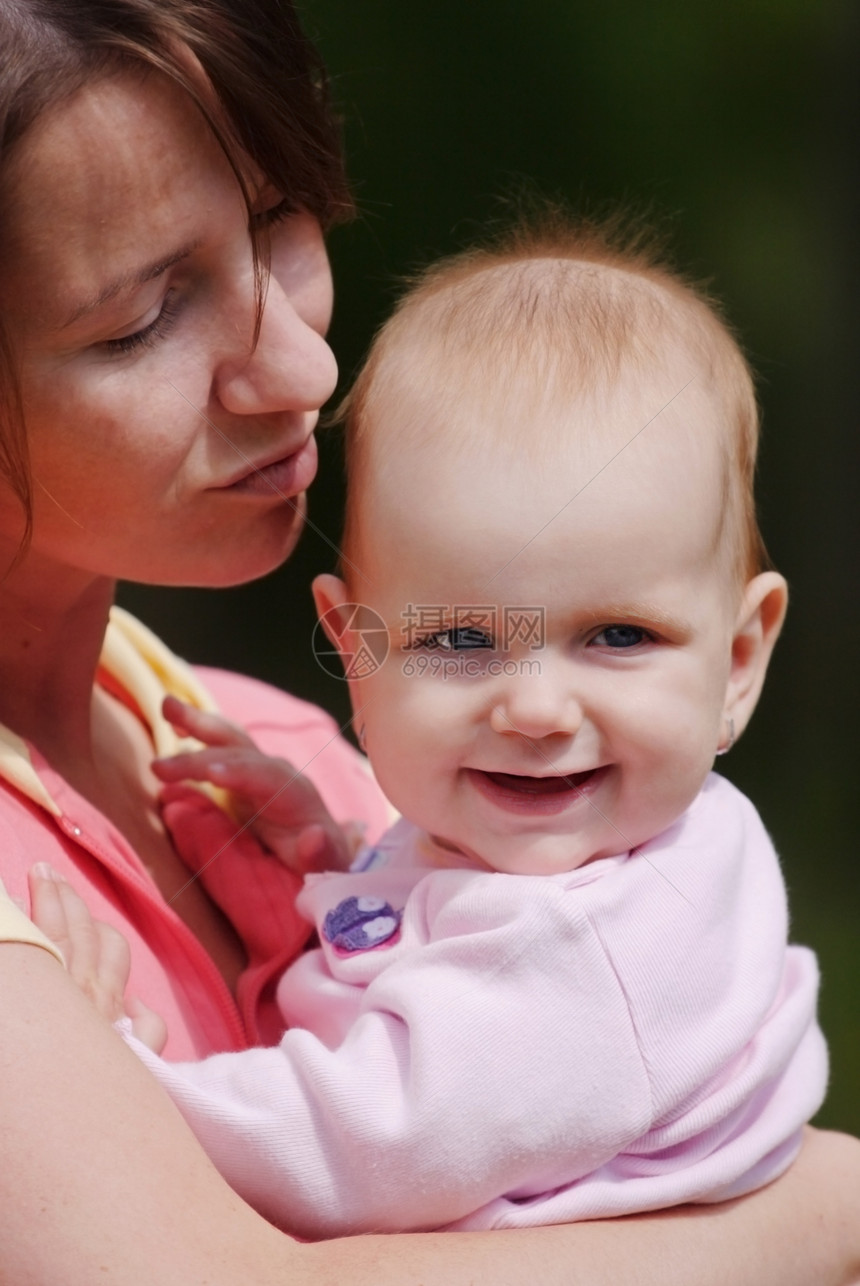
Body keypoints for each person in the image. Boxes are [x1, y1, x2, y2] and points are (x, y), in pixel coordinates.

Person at [0, 1, 858, 1282]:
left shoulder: (301, 747)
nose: (297, 366)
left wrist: (321, 884)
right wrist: (815, 1214)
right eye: (144, 319)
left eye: (281, 225)